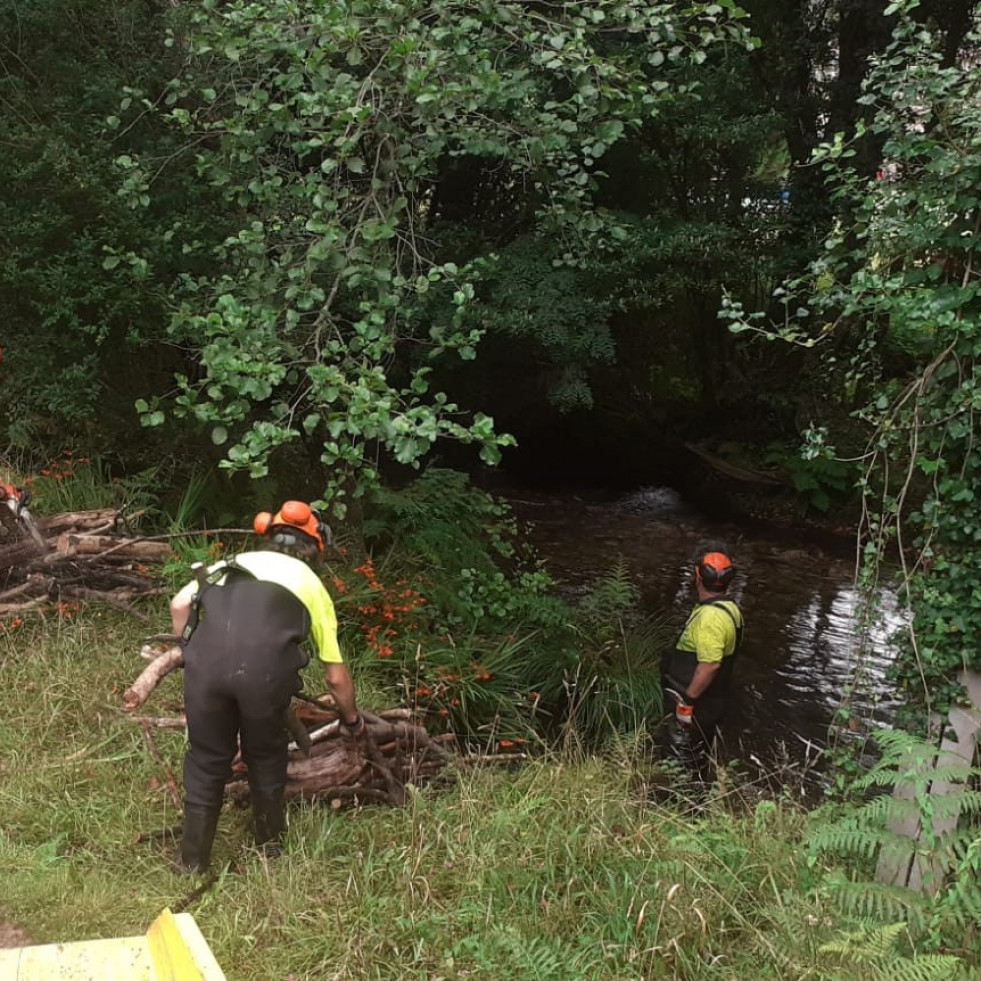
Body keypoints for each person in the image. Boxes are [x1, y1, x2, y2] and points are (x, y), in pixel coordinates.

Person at [169, 500, 365, 872]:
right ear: (316, 546)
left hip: (205, 669)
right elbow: (335, 676)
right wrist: (352, 719)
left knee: (206, 759)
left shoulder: (233, 563)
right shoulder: (311, 584)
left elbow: (180, 605)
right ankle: (269, 850)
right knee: (265, 756)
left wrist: (189, 653)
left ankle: (192, 862)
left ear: (268, 535)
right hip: (265, 678)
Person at [661, 545, 744, 782]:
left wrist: (686, 703)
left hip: (697, 702)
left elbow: (710, 665)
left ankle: (681, 802)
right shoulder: (729, 608)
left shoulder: (710, 618)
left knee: (683, 753)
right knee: (698, 754)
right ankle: (695, 798)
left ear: (697, 577)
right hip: (714, 698)